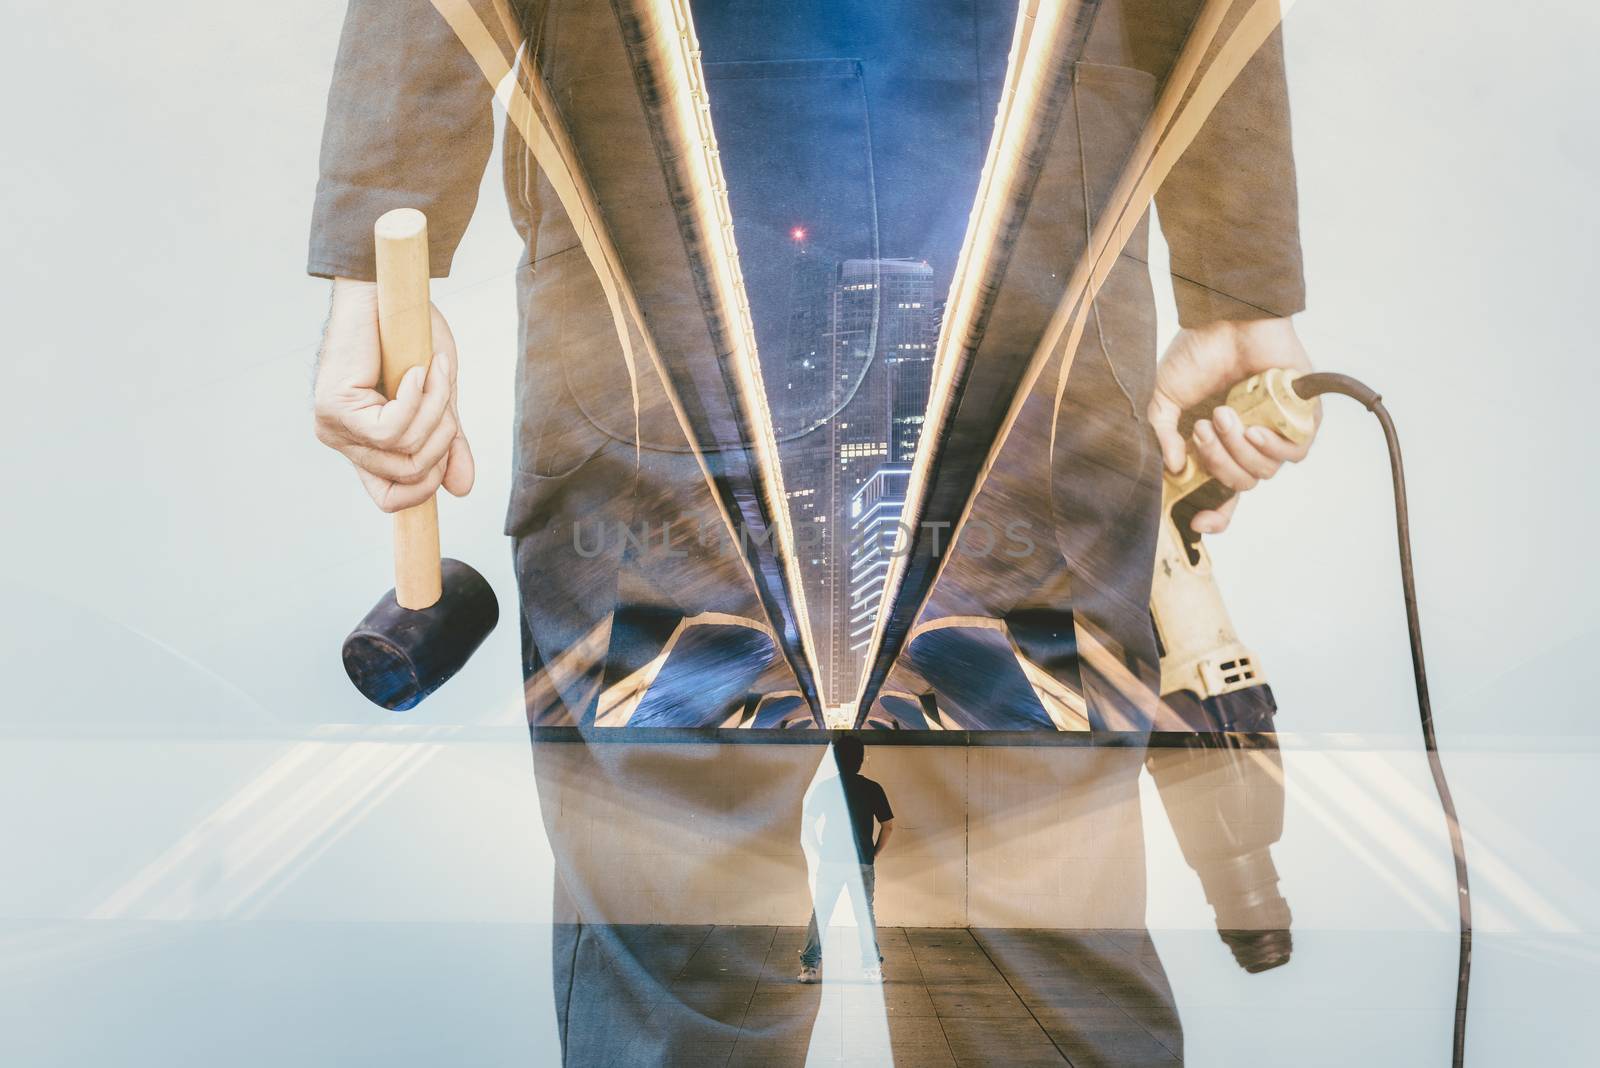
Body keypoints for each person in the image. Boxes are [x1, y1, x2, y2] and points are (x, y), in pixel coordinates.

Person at [798, 736, 894, 984]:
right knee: (864, 914)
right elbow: (888, 826)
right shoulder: (873, 788)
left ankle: (809, 968)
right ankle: (871, 968)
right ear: (861, 760)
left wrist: (820, 849)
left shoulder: (825, 787)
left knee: (821, 913)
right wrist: (873, 852)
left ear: (835, 760)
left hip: (831, 861)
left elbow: (807, 824)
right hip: (861, 862)